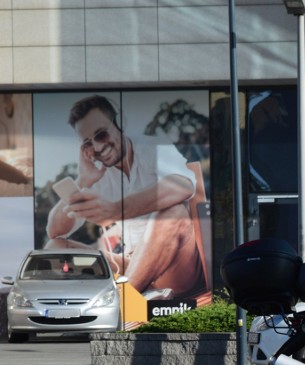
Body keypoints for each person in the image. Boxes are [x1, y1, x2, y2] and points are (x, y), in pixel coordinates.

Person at [45, 95, 203, 299]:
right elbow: (55, 231)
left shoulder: (151, 146)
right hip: (131, 265)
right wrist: (83, 180)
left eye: (101, 134)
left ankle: (121, 303)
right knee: (56, 248)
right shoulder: (97, 174)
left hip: (174, 267)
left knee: (174, 213)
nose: (98, 147)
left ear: (120, 123)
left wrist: (115, 209)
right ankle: (139, 291)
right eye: (88, 143)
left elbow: (183, 185)